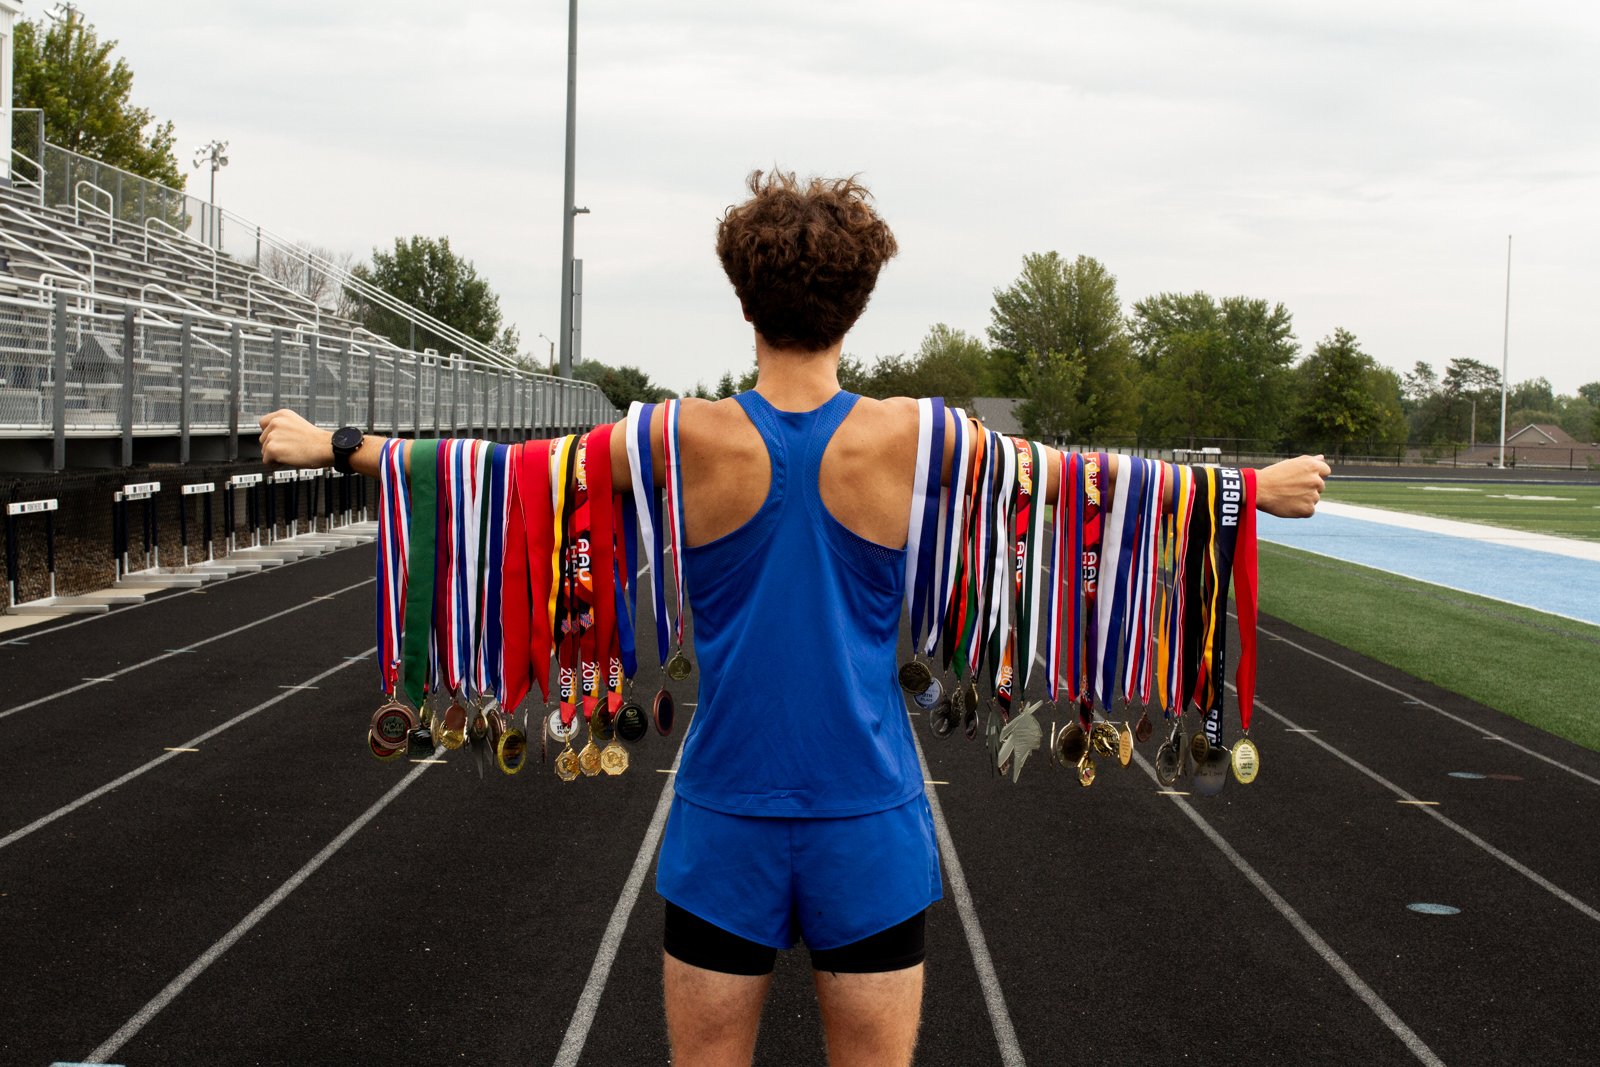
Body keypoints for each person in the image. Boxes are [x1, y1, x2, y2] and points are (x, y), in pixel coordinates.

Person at [259, 169, 1329, 1067]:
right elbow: (1082, 481)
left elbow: (510, 477)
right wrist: (1245, 490)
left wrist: (337, 443)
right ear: (857, 305)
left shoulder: (679, 436)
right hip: (869, 817)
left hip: (724, 814)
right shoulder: (917, 436)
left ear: (742, 300)